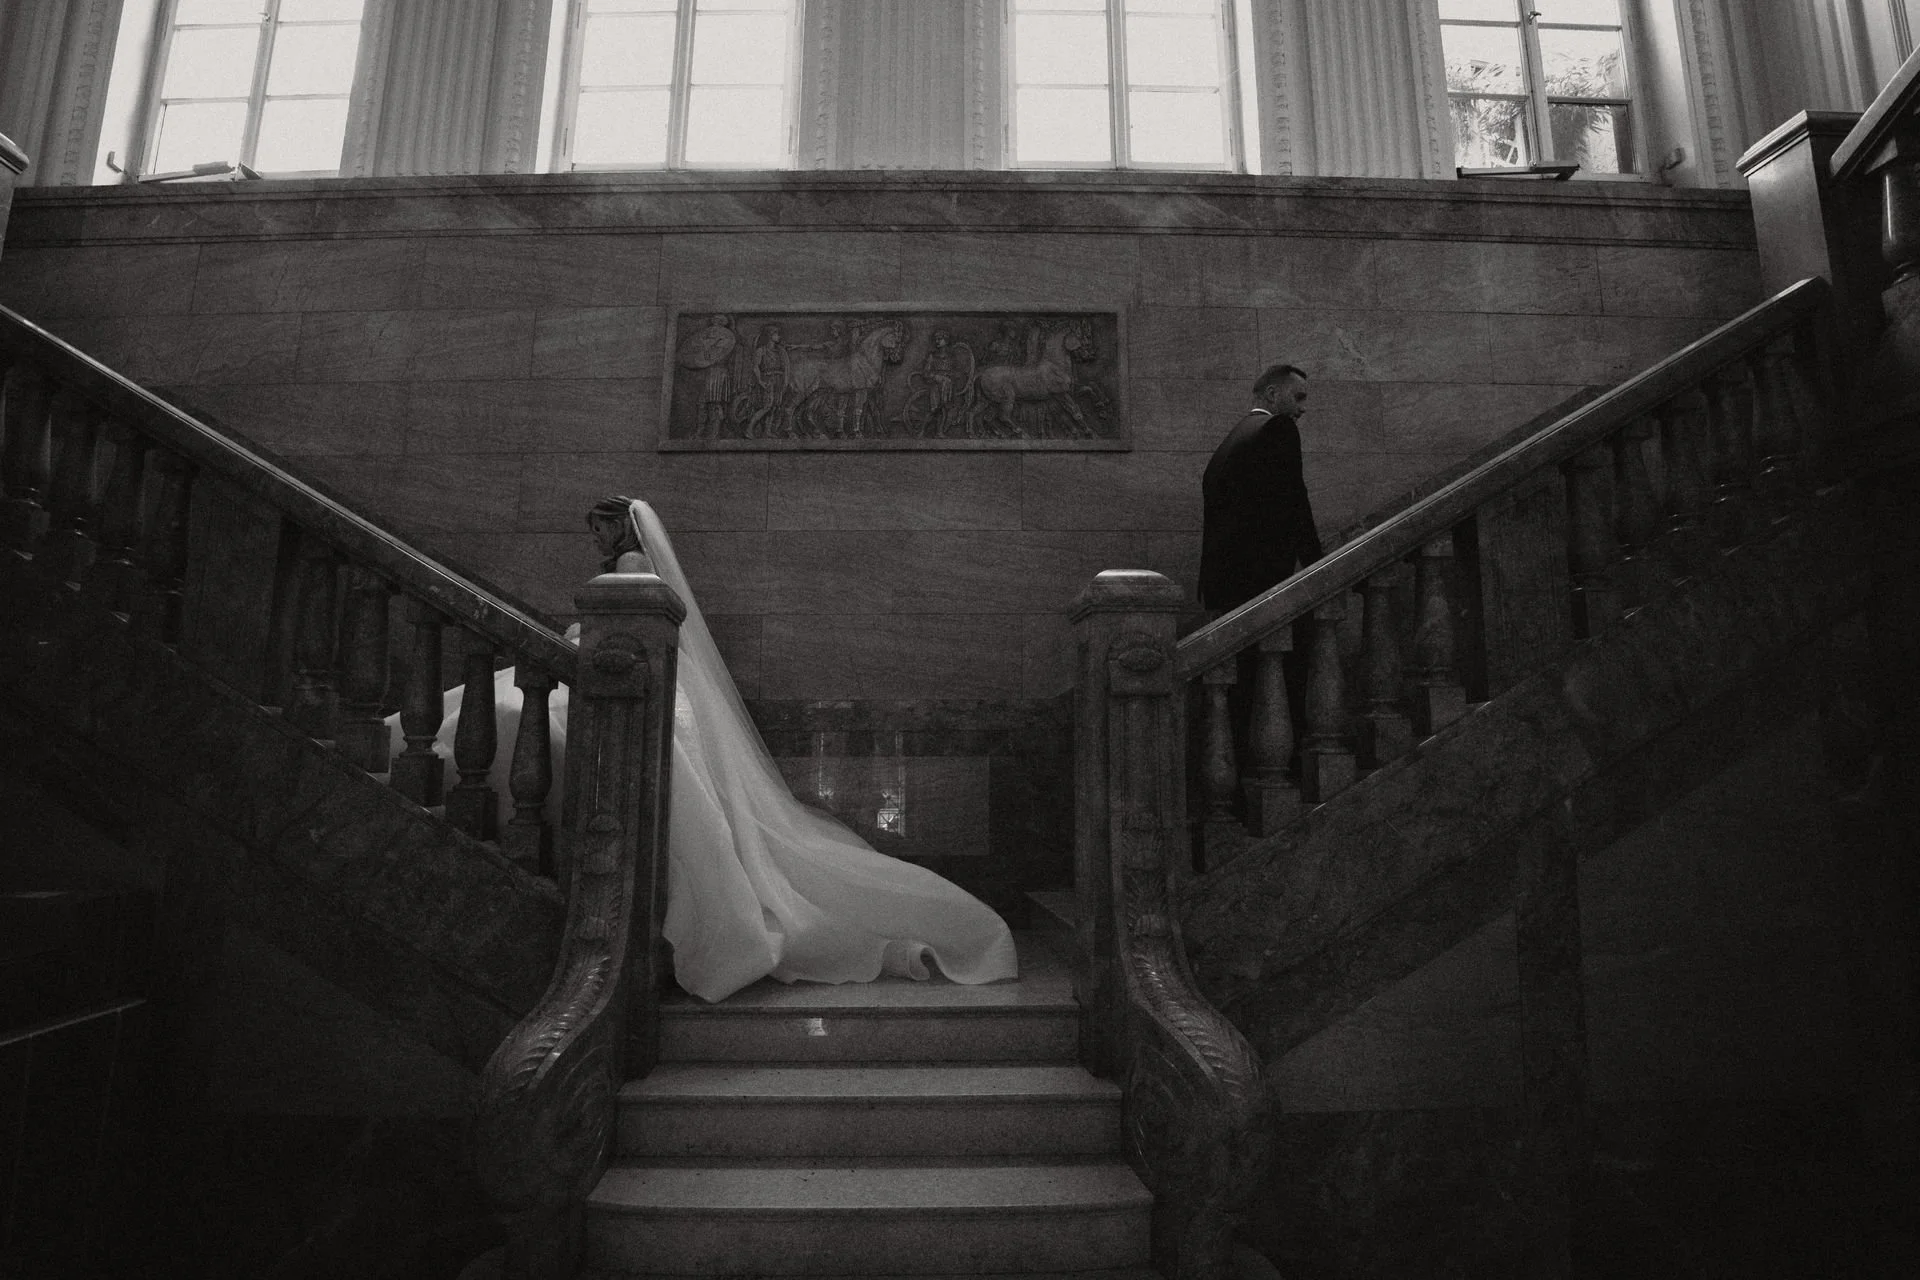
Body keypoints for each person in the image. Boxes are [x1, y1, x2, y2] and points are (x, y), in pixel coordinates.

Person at [390, 498, 1018, 1003]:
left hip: (636, 687)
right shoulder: (636, 564)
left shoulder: (634, 566)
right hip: (635, 685)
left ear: (624, 527)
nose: (598, 538)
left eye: (603, 526)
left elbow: (624, 631)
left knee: (506, 716)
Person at [1198, 364, 1324, 787]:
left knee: (1236, 696)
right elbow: (1295, 502)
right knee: (1274, 691)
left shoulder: (1230, 442)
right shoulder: (1278, 431)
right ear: (1272, 394)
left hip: (1224, 587)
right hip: (1261, 584)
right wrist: (1318, 564)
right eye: (1298, 397)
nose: (1303, 410)